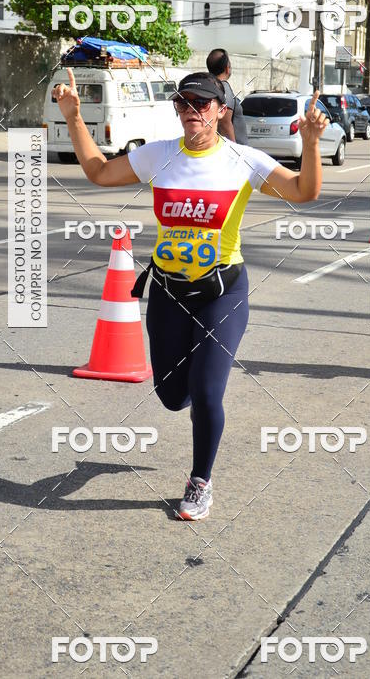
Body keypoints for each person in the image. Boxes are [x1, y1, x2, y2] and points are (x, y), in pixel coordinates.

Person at [53, 68, 329, 518]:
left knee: (205, 391)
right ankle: (185, 395)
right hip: (168, 289)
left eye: (201, 104)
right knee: (171, 395)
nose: (190, 112)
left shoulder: (243, 160)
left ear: (221, 111)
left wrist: (313, 144)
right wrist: (73, 118)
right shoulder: (159, 155)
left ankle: (200, 481)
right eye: (183, 103)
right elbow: (99, 173)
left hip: (222, 290)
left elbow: (303, 191)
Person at [206, 48, 249, 144]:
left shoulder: (208, 86)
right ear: (227, 68)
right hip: (232, 150)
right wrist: (234, 152)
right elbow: (224, 124)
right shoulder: (223, 86)